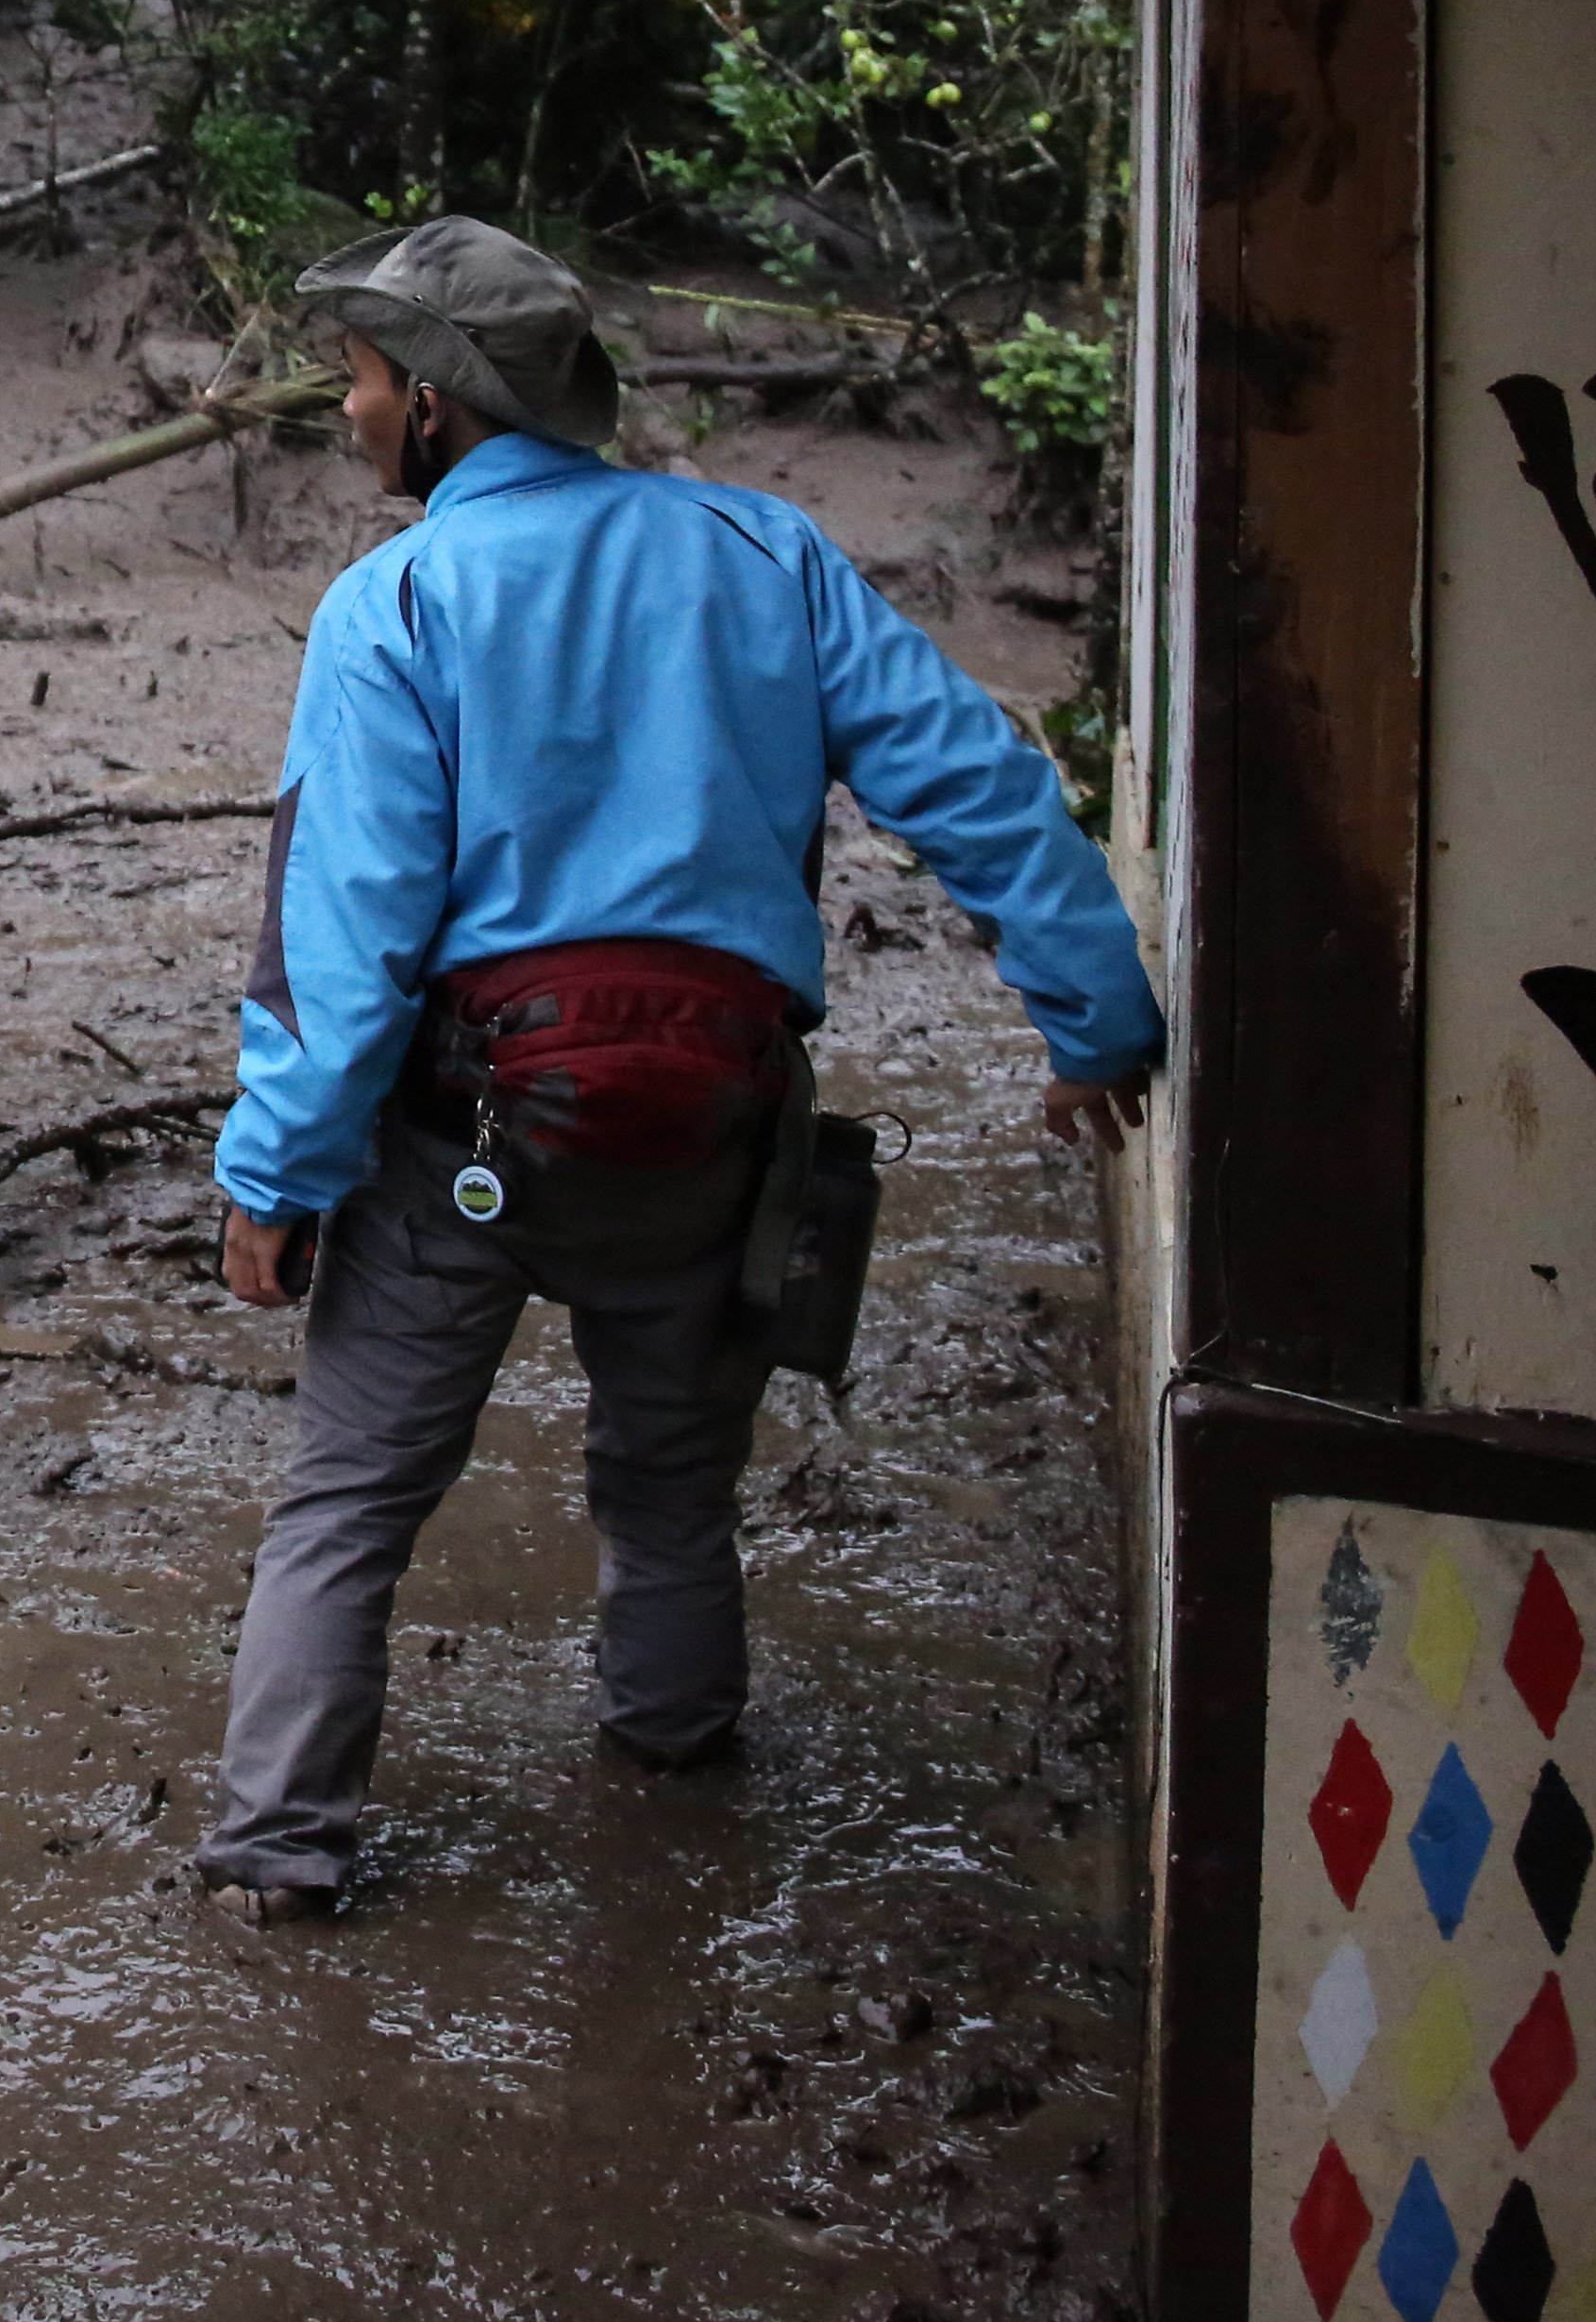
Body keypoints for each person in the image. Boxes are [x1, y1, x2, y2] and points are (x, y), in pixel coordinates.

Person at [188, 217, 1162, 1923]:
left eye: (355, 381)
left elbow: (340, 944)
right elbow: (984, 790)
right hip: (714, 1134)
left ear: (432, 404)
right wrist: (1094, 1024)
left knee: (346, 1505)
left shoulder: (396, 601)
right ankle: (673, 1745)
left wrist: (276, 1178)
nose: (343, 412)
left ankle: (279, 1853)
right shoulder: (764, 554)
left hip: (461, 1138)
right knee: (667, 1486)